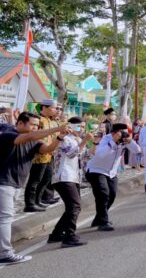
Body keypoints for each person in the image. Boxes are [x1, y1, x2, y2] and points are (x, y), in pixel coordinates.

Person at [0, 112, 67, 264]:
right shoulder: (9, 134)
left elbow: (48, 149)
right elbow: (29, 137)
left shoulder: (33, 140)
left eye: (37, 126)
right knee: (5, 219)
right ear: (20, 124)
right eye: (33, 124)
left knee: (4, 219)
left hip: (15, 185)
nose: (35, 128)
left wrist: (60, 137)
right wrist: (57, 129)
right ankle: (5, 253)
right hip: (4, 183)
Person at [84, 122, 141, 231]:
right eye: (122, 132)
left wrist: (130, 141)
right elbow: (100, 155)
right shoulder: (105, 139)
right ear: (114, 133)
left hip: (111, 173)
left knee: (112, 195)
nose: (124, 134)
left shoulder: (124, 140)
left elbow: (137, 150)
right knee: (103, 194)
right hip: (96, 170)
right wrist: (113, 142)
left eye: (126, 132)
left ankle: (99, 219)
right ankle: (103, 222)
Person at [48, 116, 93, 247]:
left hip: (74, 177)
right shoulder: (65, 139)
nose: (82, 129)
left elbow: (84, 157)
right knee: (75, 206)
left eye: (84, 127)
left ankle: (56, 234)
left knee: (72, 207)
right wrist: (84, 141)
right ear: (71, 126)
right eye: (79, 127)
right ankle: (69, 236)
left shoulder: (77, 139)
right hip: (63, 176)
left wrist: (94, 143)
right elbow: (71, 154)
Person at [23, 98, 59, 212]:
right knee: (35, 180)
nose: (55, 110)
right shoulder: (39, 120)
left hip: (49, 153)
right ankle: (29, 204)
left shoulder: (49, 120)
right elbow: (35, 136)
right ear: (44, 107)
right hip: (39, 154)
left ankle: (38, 200)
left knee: (46, 179)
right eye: (53, 108)